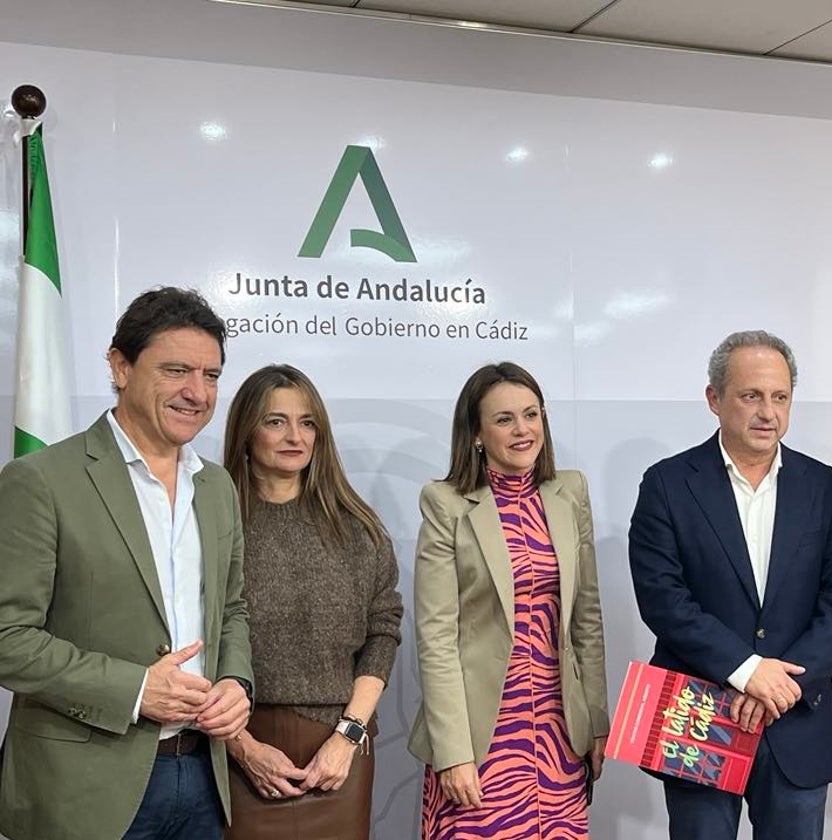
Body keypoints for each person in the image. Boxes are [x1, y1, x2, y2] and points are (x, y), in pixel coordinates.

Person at [0, 287, 254, 840]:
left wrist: (236, 682)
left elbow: (230, 611)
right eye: (177, 370)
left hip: (203, 778)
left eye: (211, 376)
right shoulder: (41, 480)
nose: (197, 392)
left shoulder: (217, 487)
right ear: (120, 366)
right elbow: (7, 638)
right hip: (83, 791)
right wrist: (135, 689)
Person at [628, 330, 832, 840]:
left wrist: (782, 684)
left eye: (780, 397)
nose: (768, 412)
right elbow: (662, 599)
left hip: (795, 714)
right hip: (700, 712)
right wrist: (747, 670)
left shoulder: (824, 486)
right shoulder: (667, 483)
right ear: (714, 399)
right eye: (751, 395)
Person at [408, 362, 608, 839]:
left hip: (561, 735)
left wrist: (597, 723)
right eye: (504, 419)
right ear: (476, 433)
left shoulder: (570, 491)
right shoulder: (446, 503)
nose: (523, 430)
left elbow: (587, 621)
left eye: (531, 414)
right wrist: (454, 752)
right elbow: (436, 638)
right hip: (482, 738)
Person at [220, 364, 402, 840]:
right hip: (238, 748)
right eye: (275, 421)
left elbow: (382, 634)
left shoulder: (358, 528)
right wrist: (241, 748)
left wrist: (347, 738)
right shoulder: (212, 524)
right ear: (245, 430)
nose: (294, 436)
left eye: (307, 422)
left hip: (339, 752)